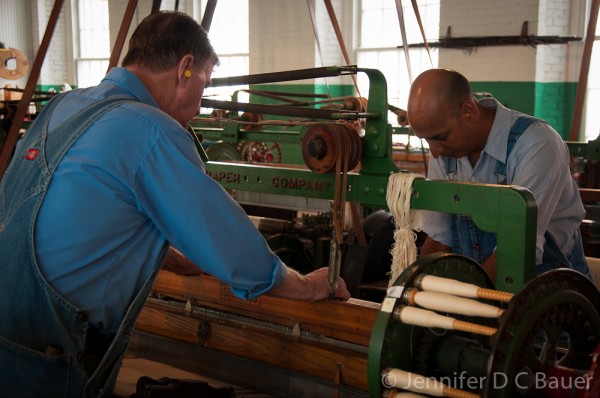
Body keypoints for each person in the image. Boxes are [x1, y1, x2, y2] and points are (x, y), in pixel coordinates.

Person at [0, 11, 350, 398]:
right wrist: (305, 286)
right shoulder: (149, 128)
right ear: (185, 68)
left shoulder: (62, 107)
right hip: (51, 356)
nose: (200, 106)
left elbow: (59, 213)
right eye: (204, 83)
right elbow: (235, 253)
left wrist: (161, 253)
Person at [407, 68, 592, 282]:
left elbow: (516, 252)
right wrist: (418, 287)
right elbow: (440, 238)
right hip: (483, 284)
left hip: (554, 291)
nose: (435, 152)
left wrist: (464, 302)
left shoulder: (536, 145)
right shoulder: (445, 153)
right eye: (427, 141)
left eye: (440, 137)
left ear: (469, 111)